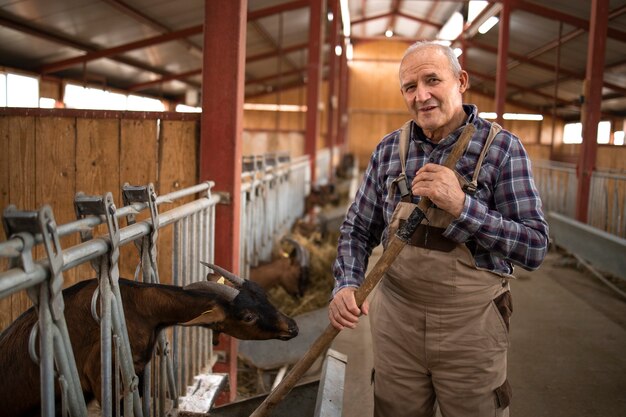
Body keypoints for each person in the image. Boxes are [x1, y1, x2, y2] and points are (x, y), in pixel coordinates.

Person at [329, 41, 549, 417]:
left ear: (460, 81)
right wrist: (346, 282)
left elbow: (534, 247)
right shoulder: (388, 151)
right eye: (410, 87)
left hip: (471, 329)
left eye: (433, 80)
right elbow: (357, 229)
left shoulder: (502, 149)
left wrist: (463, 207)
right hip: (396, 323)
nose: (421, 95)